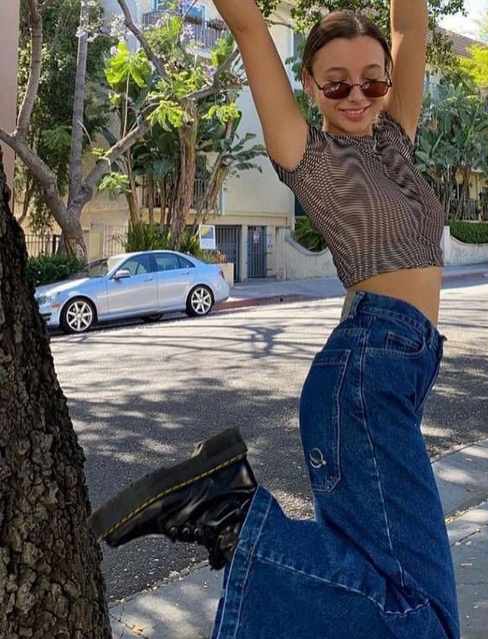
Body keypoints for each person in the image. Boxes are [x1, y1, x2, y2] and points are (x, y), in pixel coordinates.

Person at [89, 2, 459, 637]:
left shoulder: (394, 138)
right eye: (335, 82)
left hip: (397, 373)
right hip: (365, 372)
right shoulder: (308, 153)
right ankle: (232, 517)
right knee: (424, 618)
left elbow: (411, 24)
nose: (356, 95)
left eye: (373, 80)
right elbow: (250, 26)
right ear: (311, 86)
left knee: (397, 597)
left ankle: (232, 513)